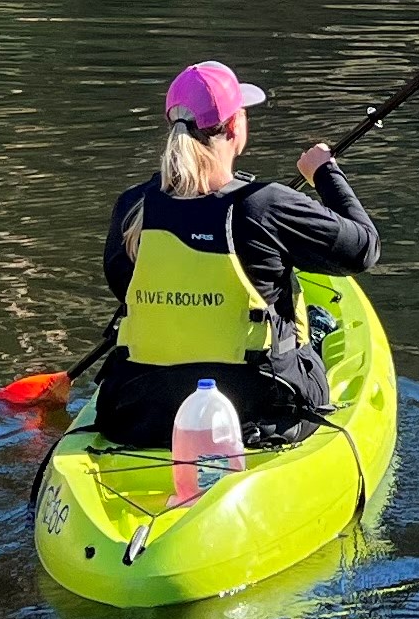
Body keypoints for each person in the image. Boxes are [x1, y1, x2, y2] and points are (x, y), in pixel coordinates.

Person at [94, 60, 378, 450]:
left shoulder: (133, 207)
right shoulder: (265, 205)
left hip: (141, 410)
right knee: (314, 326)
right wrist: (325, 173)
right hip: (257, 411)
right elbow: (364, 248)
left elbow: (121, 284)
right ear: (233, 128)